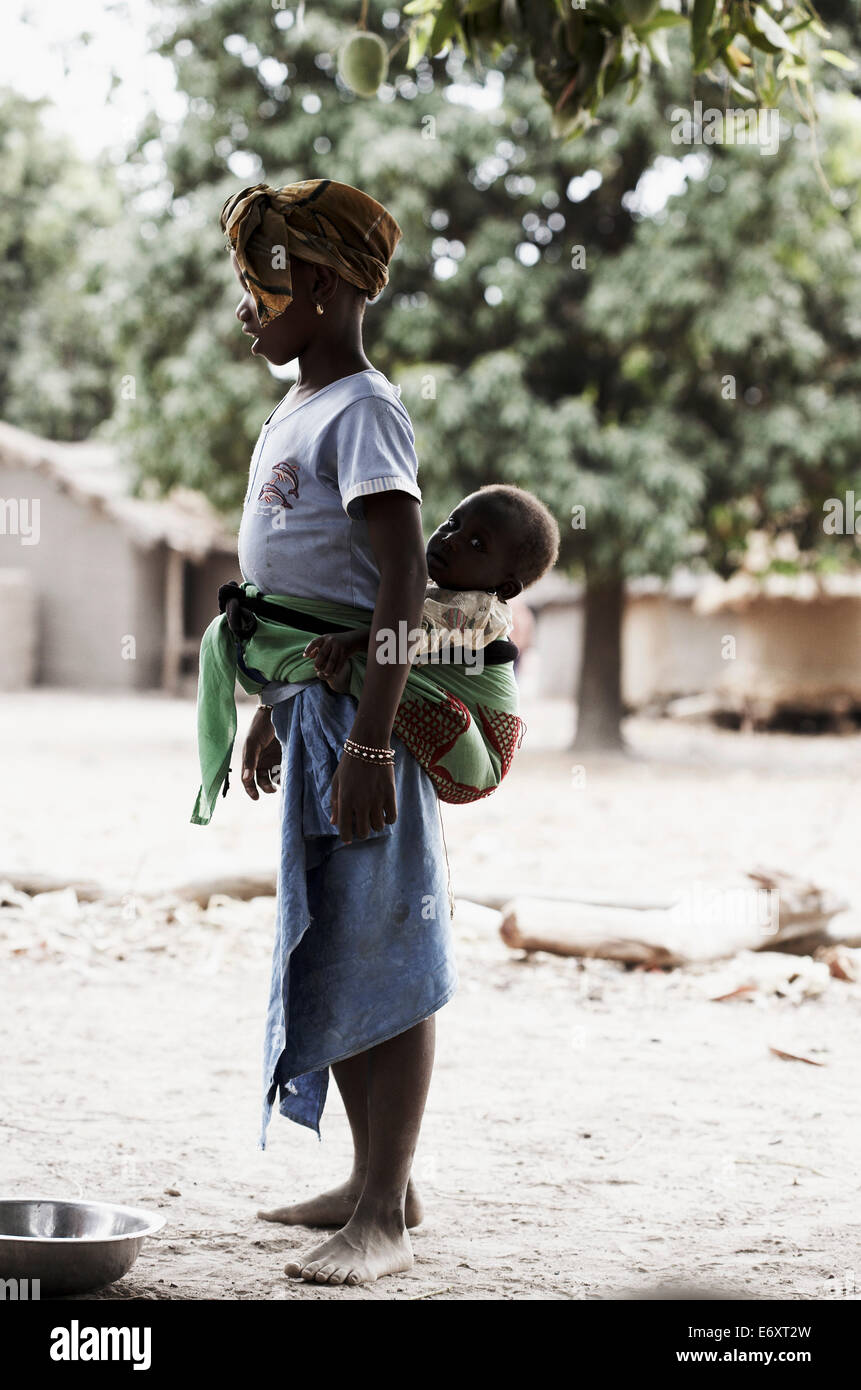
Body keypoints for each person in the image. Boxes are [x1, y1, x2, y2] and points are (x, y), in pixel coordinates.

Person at [304, 485, 559, 690]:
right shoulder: (437, 585)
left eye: (476, 543)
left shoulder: (478, 610)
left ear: (505, 588)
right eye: (452, 523)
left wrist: (349, 642)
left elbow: (408, 637)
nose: (450, 539)